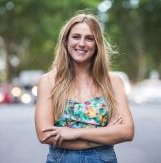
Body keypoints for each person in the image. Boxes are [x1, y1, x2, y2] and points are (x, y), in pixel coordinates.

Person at [35, 12, 134, 163]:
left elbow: (127, 132)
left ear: (97, 45)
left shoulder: (114, 82)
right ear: (66, 41)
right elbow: (45, 135)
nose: (81, 43)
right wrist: (106, 133)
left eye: (89, 38)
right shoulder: (48, 81)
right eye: (76, 37)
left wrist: (75, 133)